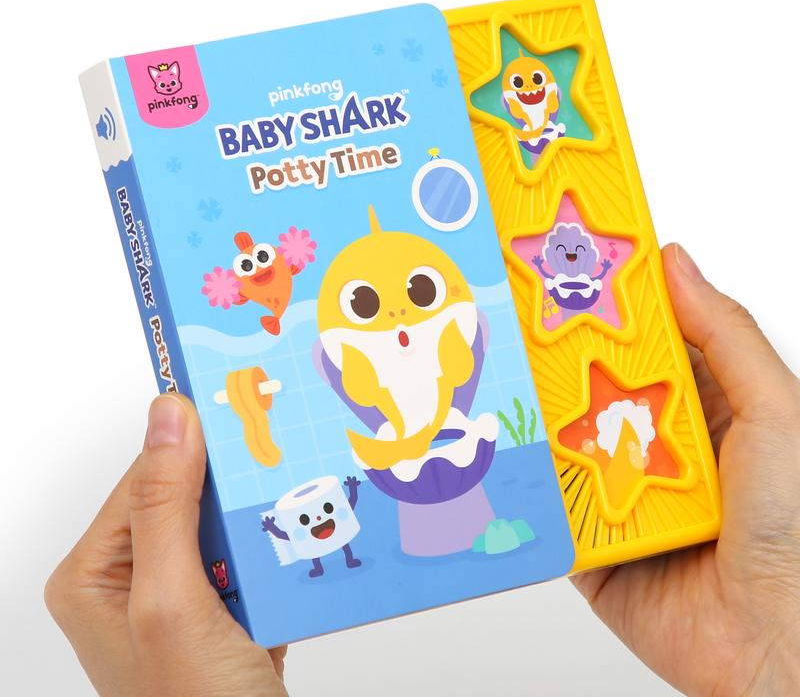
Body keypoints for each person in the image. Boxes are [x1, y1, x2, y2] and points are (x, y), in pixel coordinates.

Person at [45, 244, 800, 696]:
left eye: (416, 298)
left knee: (459, 471)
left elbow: (458, 369)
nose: (400, 319)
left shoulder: (455, 336)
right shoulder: (349, 358)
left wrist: (770, 641)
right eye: (373, 305)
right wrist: (763, 651)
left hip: (468, 456)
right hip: (407, 459)